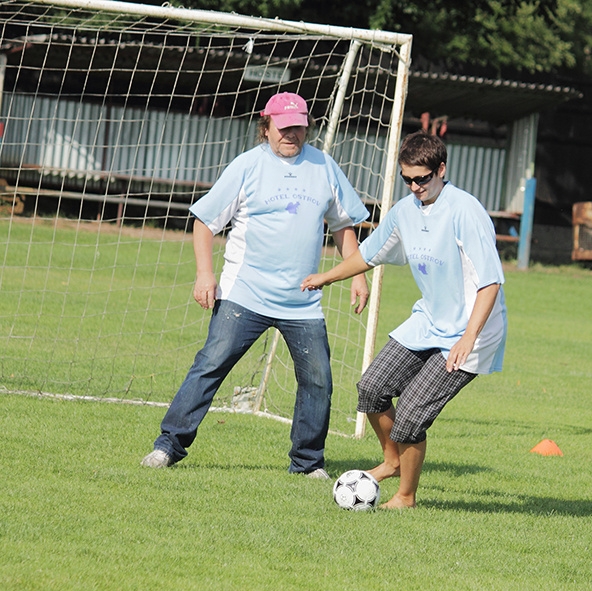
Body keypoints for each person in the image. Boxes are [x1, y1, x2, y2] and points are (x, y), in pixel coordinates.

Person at [141, 92, 370, 478]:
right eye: (283, 128)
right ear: (266, 128)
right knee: (211, 365)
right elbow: (204, 221)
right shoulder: (246, 166)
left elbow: (343, 224)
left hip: (302, 300)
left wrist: (357, 274)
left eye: (298, 127)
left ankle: (308, 463)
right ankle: (168, 446)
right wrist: (204, 273)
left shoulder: (325, 166)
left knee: (318, 380)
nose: (291, 135)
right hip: (244, 293)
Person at [301, 131, 507, 508]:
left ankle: (406, 497)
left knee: (411, 413)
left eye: (422, 179)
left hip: (473, 330)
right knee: (372, 388)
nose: (415, 187)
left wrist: (467, 339)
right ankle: (393, 461)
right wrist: (325, 277)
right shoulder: (404, 211)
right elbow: (369, 253)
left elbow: (491, 283)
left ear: (441, 170)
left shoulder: (466, 210)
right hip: (429, 320)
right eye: (407, 179)